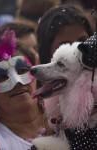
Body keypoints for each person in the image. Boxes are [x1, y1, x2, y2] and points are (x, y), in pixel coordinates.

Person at [36, 4, 97, 150]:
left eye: (82, 41)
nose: (76, 51)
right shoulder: (42, 107)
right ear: (48, 55)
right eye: (65, 45)